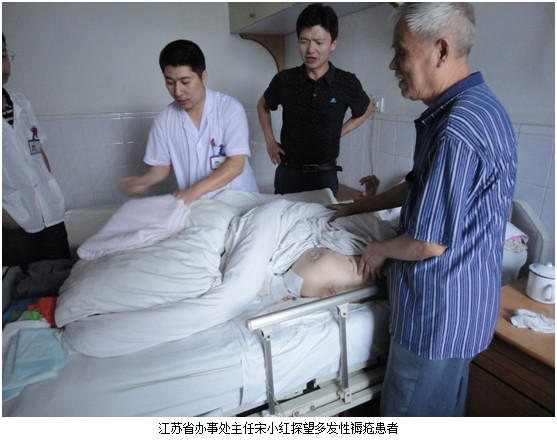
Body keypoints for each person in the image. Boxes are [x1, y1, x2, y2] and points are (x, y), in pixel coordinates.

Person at [329, 3, 517, 416]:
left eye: (401, 52)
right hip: (463, 311)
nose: (392, 64)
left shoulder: (457, 129)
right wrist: (361, 206)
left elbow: (428, 243)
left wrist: (378, 250)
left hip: (437, 319)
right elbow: (418, 185)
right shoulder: (480, 107)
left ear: (441, 50)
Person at [257, 3, 373, 197]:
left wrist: (341, 130)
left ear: (333, 43)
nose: (310, 49)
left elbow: (367, 108)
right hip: (289, 173)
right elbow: (262, 105)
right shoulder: (285, 80)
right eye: (304, 41)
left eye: (319, 42)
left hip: (325, 175)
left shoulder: (346, 82)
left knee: (323, 217)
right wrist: (270, 141)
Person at [123, 40, 258, 204]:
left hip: (240, 203)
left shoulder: (230, 109)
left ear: (203, 77)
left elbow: (236, 164)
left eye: (185, 82)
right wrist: (144, 181)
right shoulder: (164, 120)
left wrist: (193, 192)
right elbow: (161, 166)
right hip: (199, 208)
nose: (178, 91)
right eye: (170, 82)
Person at [2, 34, 71, 270]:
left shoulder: (20, 101)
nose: (3, 66)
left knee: (61, 278)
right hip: (14, 221)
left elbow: (36, 147)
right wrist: (5, 219)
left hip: (50, 211)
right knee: (25, 286)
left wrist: (50, 184)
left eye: (4, 56)